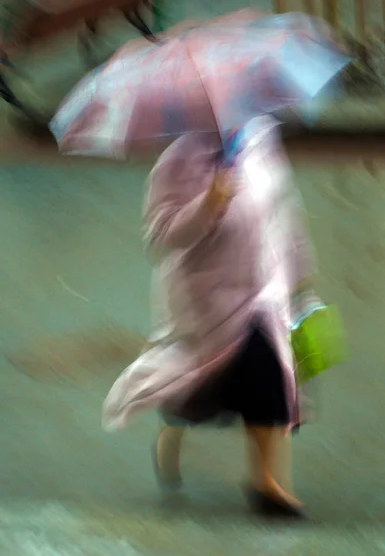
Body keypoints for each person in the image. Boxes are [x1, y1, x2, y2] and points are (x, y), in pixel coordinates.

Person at [102, 117, 319, 518]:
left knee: (268, 379)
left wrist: (300, 273)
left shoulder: (260, 139)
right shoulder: (176, 161)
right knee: (200, 392)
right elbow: (162, 235)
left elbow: (283, 209)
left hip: (262, 294)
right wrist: (210, 204)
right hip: (206, 299)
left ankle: (266, 483)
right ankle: (174, 428)